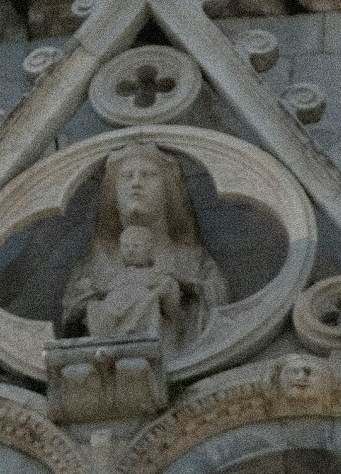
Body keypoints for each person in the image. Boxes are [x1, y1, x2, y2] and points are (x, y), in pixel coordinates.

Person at [58, 141, 227, 362]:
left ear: (167, 191)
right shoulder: (92, 266)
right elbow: (72, 316)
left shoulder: (194, 260)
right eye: (126, 177)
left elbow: (215, 304)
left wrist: (180, 289)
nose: (136, 183)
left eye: (148, 175)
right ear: (114, 194)